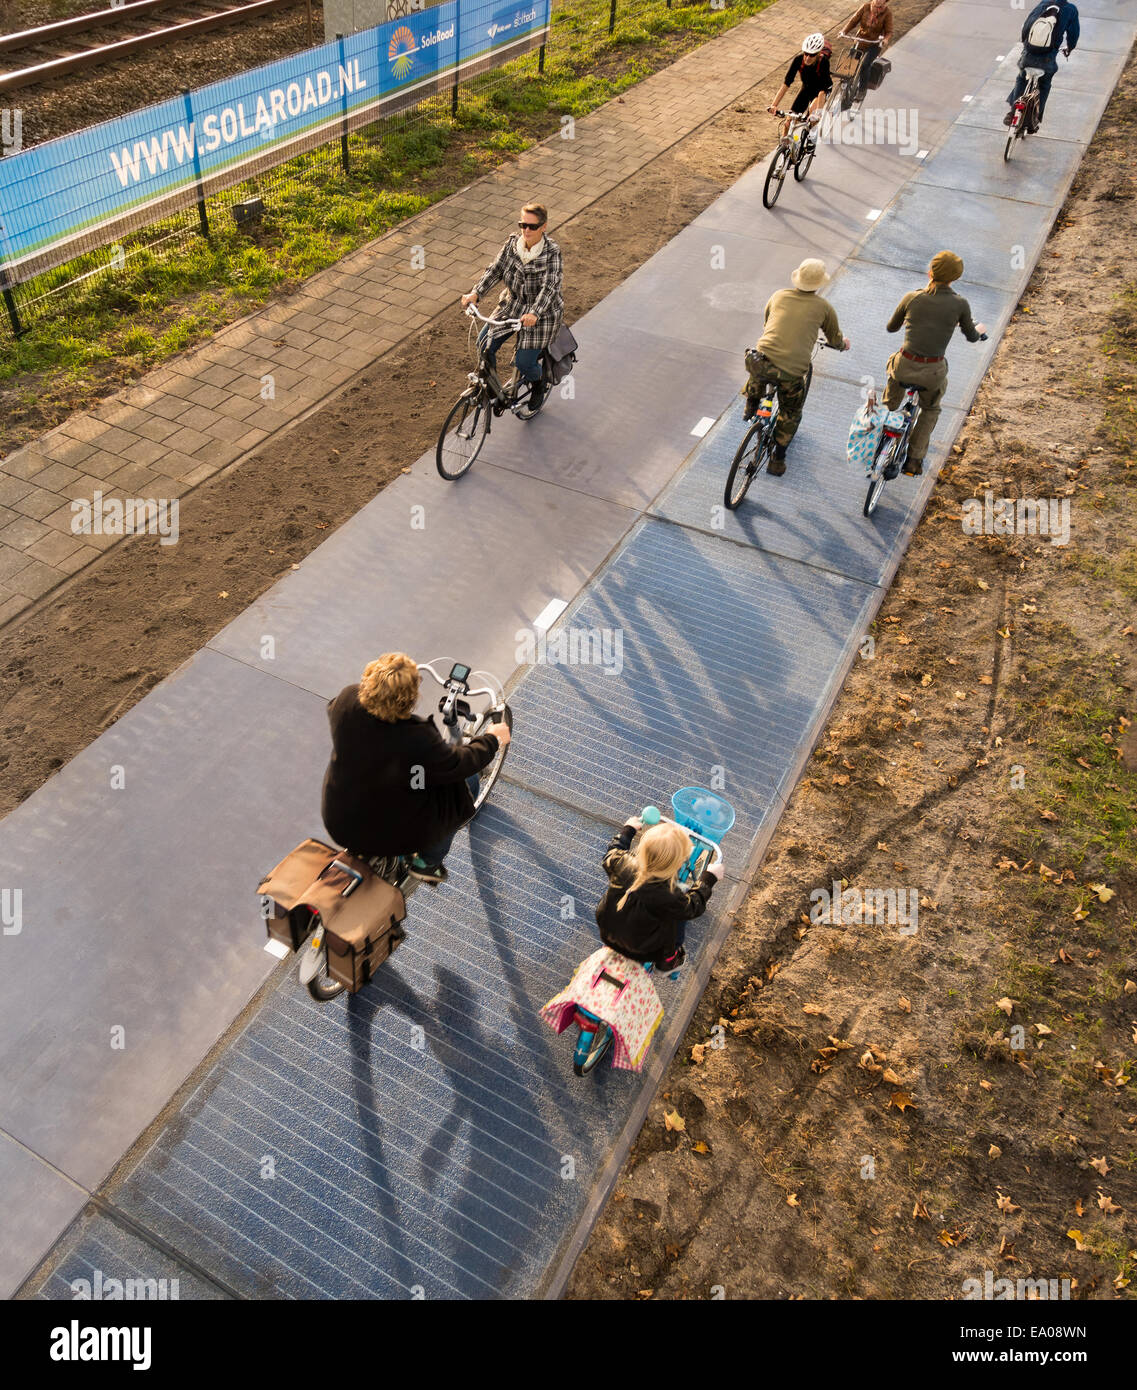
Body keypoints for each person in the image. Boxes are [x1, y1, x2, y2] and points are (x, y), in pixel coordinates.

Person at [320, 652, 510, 885]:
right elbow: (459, 763)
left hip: (338, 820)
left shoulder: (346, 701)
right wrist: (491, 740)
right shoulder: (416, 737)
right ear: (408, 699)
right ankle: (428, 863)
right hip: (391, 832)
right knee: (464, 783)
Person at [881, 251, 987, 477]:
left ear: (930, 272)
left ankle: (884, 420)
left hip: (905, 365)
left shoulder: (912, 297)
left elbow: (892, 327)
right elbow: (971, 336)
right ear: (956, 278)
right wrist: (978, 331)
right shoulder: (960, 304)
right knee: (930, 409)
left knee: (894, 374)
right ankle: (914, 461)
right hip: (933, 372)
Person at [741, 258, 850, 476]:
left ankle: (751, 404)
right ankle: (777, 460)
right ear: (819, 283)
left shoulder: (778, 295)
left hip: (761, 363)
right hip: (791, 373)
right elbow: (835, 337)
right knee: (791, 411)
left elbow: (767, 321)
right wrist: (842, 344)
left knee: (759, 365)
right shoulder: (824, 308)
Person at [461, 202, 563, 419]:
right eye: (522, 224)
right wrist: (476, 293)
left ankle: (539, 383)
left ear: (543, 227)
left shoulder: (552, 253)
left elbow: (550, 288)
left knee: (524, 362)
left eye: (532, 227)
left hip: (541, 315)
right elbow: (495, 269)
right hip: (513, 305)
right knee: (483, 345)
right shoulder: (512, 245)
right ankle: (494, 390)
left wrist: (535, 313)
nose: (526, 230)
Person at [595, 819, 723, 976]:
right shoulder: (669, 896)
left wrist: (628, 830)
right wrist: (708, 879)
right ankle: (667, 962)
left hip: (608, 932)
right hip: (646, 951)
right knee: (677, 920)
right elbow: (692, 907)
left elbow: (613, 851)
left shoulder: (621, 862)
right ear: (678, 864)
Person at [1003, 1, 1079, 129]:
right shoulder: (1070, 9)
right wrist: (1069, 48)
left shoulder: (1044, 3)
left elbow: (1027, 25)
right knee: (1044, 85)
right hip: (1047, 59)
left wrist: (1026, 44)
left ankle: (1012, 112)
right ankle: (1034, 119)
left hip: (1028, 54)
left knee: (1021, 78)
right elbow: (1073, 34)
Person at [767, 33, 832, 141]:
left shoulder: (823, 62)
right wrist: (774, 105)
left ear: (819, 53)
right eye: (806, 53)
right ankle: (784, 145)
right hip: (807, 88)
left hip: (822, 90)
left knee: (812, 112)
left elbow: (822, 91)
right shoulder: (798, 60)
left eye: (812, 55)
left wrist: (818, 113)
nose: (807, 57)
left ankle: (812, 138)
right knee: (789, 121)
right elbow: (786, 84)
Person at [840, 0, 893, 103]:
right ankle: (843, 84)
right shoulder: (865, 7)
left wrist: (885, 39)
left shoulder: (887, 13)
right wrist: (844, 31)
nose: (878, 0)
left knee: (865, 64)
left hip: (874, 44)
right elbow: (853, 21)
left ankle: (862, 90)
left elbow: (889, 31)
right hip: (860, 40)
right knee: (850, 62)